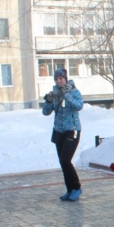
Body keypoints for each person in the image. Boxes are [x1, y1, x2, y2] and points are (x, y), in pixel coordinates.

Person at [42, 69, 84, 201]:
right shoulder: (55, 94)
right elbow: (45, 112)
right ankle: (69, 189)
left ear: (65, 78)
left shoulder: (74, 91)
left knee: (66, 160)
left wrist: (66, 95)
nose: (59, 81)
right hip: (59, 131)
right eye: (56, 79)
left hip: (72, 129)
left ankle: (76, 188)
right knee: (62, 162)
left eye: (61, 78)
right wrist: (49, 100)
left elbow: (79, 105)